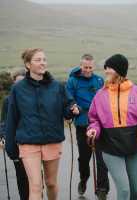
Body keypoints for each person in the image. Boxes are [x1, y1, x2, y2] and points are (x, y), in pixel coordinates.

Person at [5, 48, 79, 200]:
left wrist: (72, 110)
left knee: (51, 183)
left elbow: (67, 107)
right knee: (35, 185)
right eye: (38, 60)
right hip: (28, 142)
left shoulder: (57, 87)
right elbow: (11, 118)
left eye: (44, 59)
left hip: (52, 140)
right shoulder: (18, 89)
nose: (42, 63)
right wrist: (10, 146)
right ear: (28, 64)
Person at [86, 54, 137, 200]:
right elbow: (94, 118)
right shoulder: (100, 95)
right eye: (106, 68)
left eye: (109, 68)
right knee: (124, 191)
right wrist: (93, 129)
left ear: (119, 70)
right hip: (110, 149)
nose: (106, 71)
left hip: (133, 149)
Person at [66, 54, 109, 200]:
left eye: (90, 67)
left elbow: (105, 100)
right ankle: (84, 178)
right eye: (85, 67)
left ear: (94, 66)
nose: (88, 70)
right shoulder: (73, 81)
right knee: (84, 158)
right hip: (82, 123)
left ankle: (102, 189)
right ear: (80, 66)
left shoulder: (99, 80)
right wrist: (73, 107)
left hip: (100, 124)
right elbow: (69, 98)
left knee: (102, 158)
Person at [0, 69, 29, 200]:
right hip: (16, 142)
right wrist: (2, 136)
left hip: (33, 141)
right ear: (13, 83)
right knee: (21, 174)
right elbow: (4, 121)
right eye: (17, 82)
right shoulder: (7, 100)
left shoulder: (33, 97)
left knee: (34, 175)